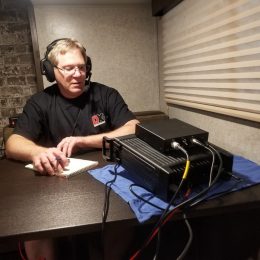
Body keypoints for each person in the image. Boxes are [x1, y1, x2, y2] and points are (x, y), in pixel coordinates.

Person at [6, 38, 139, 260]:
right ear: (51, 71)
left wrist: (83, 141)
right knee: (35, 230)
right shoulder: (40, 102)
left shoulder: (106, 95)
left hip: (105, 182)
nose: (77, 74)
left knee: (124, 218)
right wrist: (37, 152)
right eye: (68, 68)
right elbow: (13, 143)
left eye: (81, 67)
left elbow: (134, 128)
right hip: (54, 186)